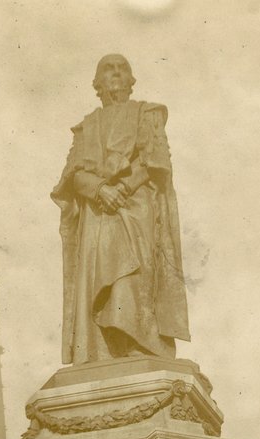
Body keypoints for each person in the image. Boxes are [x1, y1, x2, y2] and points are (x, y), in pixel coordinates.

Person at [51, 53, 190, 365]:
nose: (115, 74)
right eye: (107, 69)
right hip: (98, 213)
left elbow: (155, 161)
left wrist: (123, 188)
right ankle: (102, 351)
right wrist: (100, 189)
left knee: (134, 279)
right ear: (96, 84)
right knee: (97, 279)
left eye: (121, 68)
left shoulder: (146, 113)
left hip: (136, 207)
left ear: (132, 80)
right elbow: (73, 175)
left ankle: (141, 345)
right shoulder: (86, 127)